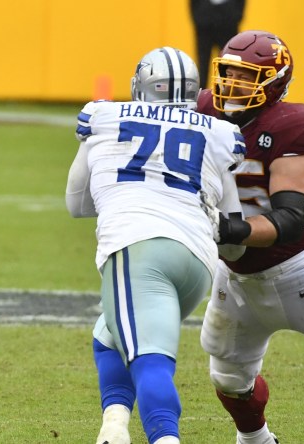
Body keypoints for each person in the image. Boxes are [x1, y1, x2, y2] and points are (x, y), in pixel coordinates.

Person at [197, 30, 304, 444]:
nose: (231, 85)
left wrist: (227, 229)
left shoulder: (291, 124)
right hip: (236, 277)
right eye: (228, 73)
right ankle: (256, 441)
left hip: (300, 271)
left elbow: (291, 218)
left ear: (273, 83)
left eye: (246, 76)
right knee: (229, 377)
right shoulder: (203, 109)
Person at [66, 47, 247, 444]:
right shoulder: (219, 132)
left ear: (141, 87)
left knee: (151, 360)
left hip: (138, 248)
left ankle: (165, 438)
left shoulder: (104, 116)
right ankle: (113, 428)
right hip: (198, 261)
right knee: (109, 334)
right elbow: (234, 234)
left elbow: (77, 205)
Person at [190, 0, 246, 88]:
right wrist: (198, 18)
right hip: (204, 25)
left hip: (228, 24)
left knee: (228, 63)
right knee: (203, 64)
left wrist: (236, 15)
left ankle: (227, 91)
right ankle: (200, 94)